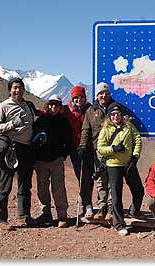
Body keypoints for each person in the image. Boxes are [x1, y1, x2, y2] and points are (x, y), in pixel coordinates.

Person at [0, 77, 36, 230]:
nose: (18, 90)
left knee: (25, 184)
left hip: (27, 149)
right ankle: (0, 219)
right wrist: (11, 124)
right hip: (11, 149)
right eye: (15, 87)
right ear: (10, 90)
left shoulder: (28, 105)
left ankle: (24, 216)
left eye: (20, 87)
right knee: (5, 183)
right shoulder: (3, 107)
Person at [97, 103, 144, 236]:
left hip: (128, 163)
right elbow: (100, 148)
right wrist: (113, 149)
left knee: (138, 189)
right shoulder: (105, 130)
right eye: (112, 114)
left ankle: (134, 211)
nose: (116, 116)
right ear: (109, 116)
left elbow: (137, 139)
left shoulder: (129, 126)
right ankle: (119, 224)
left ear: (122, 115)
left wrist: (135, 157)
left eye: (118, 114)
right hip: (113, 165)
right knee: (117, 195)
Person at [33, 95, 73, 228]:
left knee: (59, 188)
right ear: (47, 105)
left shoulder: (64, 122)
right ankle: (45, 214)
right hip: (41, 161)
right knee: (42, 188)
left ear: (60, 107)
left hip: (57, 160)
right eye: (51, 104)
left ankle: (62, 215)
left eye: (56, 105)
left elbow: (69, 141)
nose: (53, 107)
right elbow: (33, 139)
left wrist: (63, 155)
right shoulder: (40, 121)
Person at [78, 82, 115, 222]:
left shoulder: (115, 108)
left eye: (106, 93)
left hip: (114, 149)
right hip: (97, 150)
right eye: (101, 93)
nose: (103, 95)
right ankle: (102, 206)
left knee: (113, 179)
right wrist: (82, 146)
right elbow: (86, 130)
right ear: (97, 96)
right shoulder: (91, 111)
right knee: (101, 178)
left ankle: (111, 207)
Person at [64, 85, 93, 219]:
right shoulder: (67, 110)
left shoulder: (90, 109)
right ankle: (86, 204)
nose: (79, 100)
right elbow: (51, 112)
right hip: (75, 149)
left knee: (90, 176)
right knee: (81, 176)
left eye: (81, 97)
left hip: (89, 148)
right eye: (76, 97)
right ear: (72, 98)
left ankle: (90, 204)